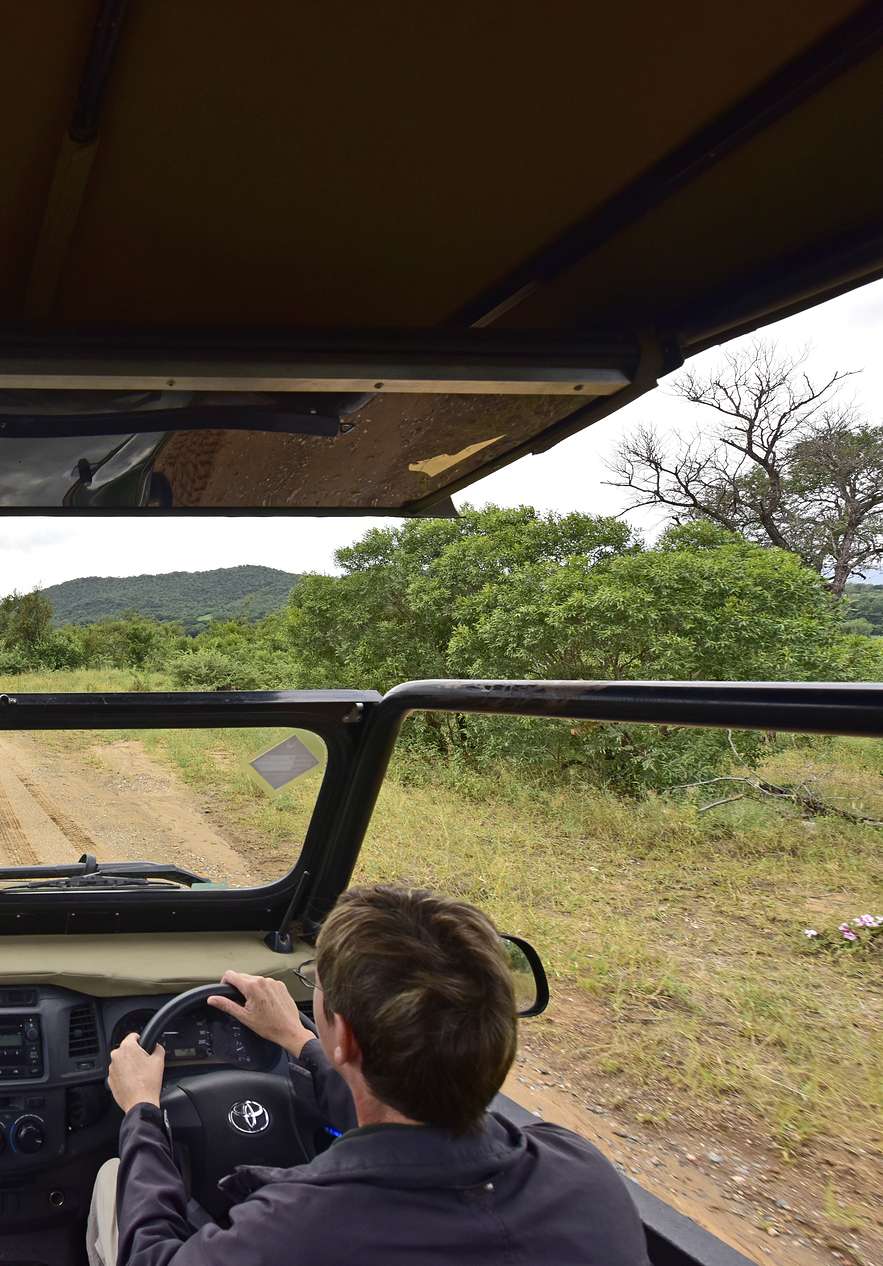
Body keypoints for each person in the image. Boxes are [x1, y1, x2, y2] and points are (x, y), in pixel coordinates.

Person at [90, 885, 651, 1265]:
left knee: (117, 1178)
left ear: (348, 1038)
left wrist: (142, 1112)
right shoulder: (582, 1172)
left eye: (320, 992)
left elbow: (152, 1256)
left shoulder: (293, 1231)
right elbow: (411, 1111)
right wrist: (302, 1040)